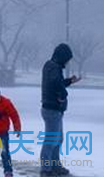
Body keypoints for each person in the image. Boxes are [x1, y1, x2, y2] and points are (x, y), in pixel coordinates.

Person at [40, 43, 81, 177]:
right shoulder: (53, 67)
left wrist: (69, 81)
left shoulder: (52, 67)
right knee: (51, 140)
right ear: (62, 56)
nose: (67, 62)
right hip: (52, 110)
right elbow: (56, 84)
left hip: (54, 110)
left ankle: (55, 166)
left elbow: (58, 82)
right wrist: (62, 96)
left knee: (57, 139)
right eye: (67, 59)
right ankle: (46, 169)